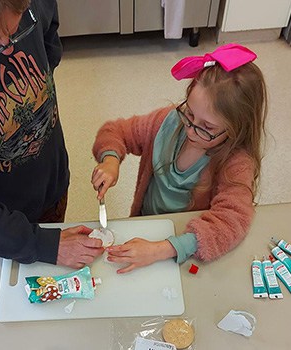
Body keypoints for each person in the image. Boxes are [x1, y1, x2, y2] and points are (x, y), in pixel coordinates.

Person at [0, 0, 104, 268]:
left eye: (18, 29)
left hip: (50, 182)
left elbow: (49, 24)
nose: (9, 49)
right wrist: (44, 245)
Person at [91, 43, 268, 273]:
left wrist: (160, 249)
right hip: (147, 225)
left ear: (236, 130)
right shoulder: (167, 121)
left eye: (206, 127)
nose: (191, 130)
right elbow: (116, 131)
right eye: (190, 114)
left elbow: (232, 221)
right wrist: (110, 160)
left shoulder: (237, 162)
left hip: (185, 245)